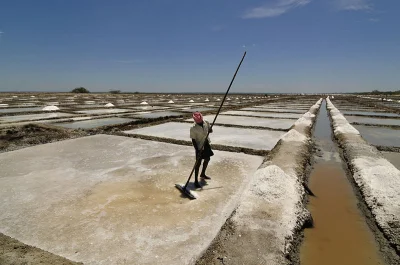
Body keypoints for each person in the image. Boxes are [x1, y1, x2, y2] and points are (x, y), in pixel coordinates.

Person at [190, 112, 214, 188]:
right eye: (198, 121)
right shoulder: (193, 128)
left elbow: (211, 130)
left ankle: (203, 174)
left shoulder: (206, 122)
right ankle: (196, 181)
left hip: (206, 143)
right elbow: (193, 140)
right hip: (199, 146)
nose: (200, 122)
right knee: (198, 163)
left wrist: (210, 130)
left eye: (200, 120)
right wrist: (197, 150)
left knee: (207, 159)